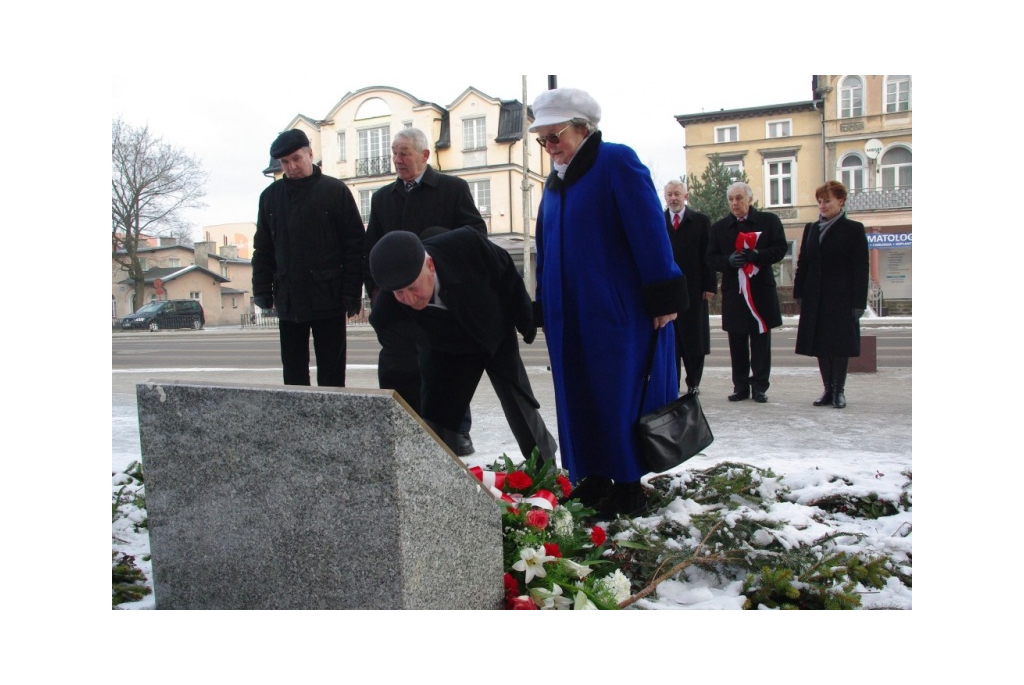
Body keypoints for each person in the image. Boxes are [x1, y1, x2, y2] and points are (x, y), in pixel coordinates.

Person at [531, 88, 688, 519]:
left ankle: (627, 486)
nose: (550, 146)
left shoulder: (616, 162)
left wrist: (662, 291)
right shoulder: (554, 180)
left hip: (614, 312)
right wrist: (543, 301)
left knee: (617, 396)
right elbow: (545, 248)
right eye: (542, 139)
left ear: (583, 128)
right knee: (576, 396)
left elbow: (650, 232)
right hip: (569, 314)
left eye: (555, 135)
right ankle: (592, 477)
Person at [368, 228, 557, 463]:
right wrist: (398, 411)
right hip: (445, 351)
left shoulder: (466, 245)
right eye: (399, 293)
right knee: (437, 414)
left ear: (430, 266)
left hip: (491, 331)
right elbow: (397, 368)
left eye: (413, 287)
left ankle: (546, 468)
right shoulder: (387, 314)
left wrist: (524, 317)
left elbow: (505, 272)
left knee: (518, 400)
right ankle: (438, 475)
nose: (409, 298)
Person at [364, 127, 486, 456]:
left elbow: (475, 233)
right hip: (397, 299)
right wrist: (375, 291)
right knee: (399, 364)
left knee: (447, 364)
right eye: (394, 153)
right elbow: (372, 245)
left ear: (424, 155)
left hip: (439, 295)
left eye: (404, 152)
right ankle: (403, 426)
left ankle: (455, 431)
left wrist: (440, 252)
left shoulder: (452, 189)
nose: (397, 160)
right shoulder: (382, 198)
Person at [252, 129, 365, 387]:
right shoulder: (270, 198)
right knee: (293, 372)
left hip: (329, 297)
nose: (291, 167)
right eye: (284, 162)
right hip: (289, 299)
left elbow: (354, 246)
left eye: (296, 159)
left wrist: (351, 292)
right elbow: (263, 249)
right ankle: (297, 421)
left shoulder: (335, 192)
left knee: (332, 373)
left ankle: (332, 418)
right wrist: (261, 289)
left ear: (310, 154)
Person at [707, 181, 787, 403]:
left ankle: (760, 386)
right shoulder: (720, 228)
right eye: (731, 199)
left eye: (739, 198)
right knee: (737, 341)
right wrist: (728, 261)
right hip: (735, 293)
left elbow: (781, 248)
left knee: (761, 340)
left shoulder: (768, 221)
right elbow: (710, 258)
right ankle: (740, 386)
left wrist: (757, 255)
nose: (735, 203)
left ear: (750, 199)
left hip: (761, 291)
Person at [793, 181, 869, 409]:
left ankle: (839, 391)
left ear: (840, 201)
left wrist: (858, 302)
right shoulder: (811, 229)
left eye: (827, 201)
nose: (822, 206)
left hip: (841, 298)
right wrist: (799, 291)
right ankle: (827, 389)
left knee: (838, 345)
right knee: (820, 345)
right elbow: (803, 263)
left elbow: (861, 268)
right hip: (815, 297)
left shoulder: (853, 230)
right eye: (820, 201)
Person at [664, 180, 716, 396]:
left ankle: (693, 383)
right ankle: (671, 384)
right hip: (667, 290)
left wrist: (709, 285)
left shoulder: (701, 221)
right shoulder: (658, 221)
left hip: (694, 288)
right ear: (665, 198)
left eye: (677, 194)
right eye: (669, 194)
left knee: (695, 340)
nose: (673, 198)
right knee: (671, 341)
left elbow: (709, 255)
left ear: (685, 196)